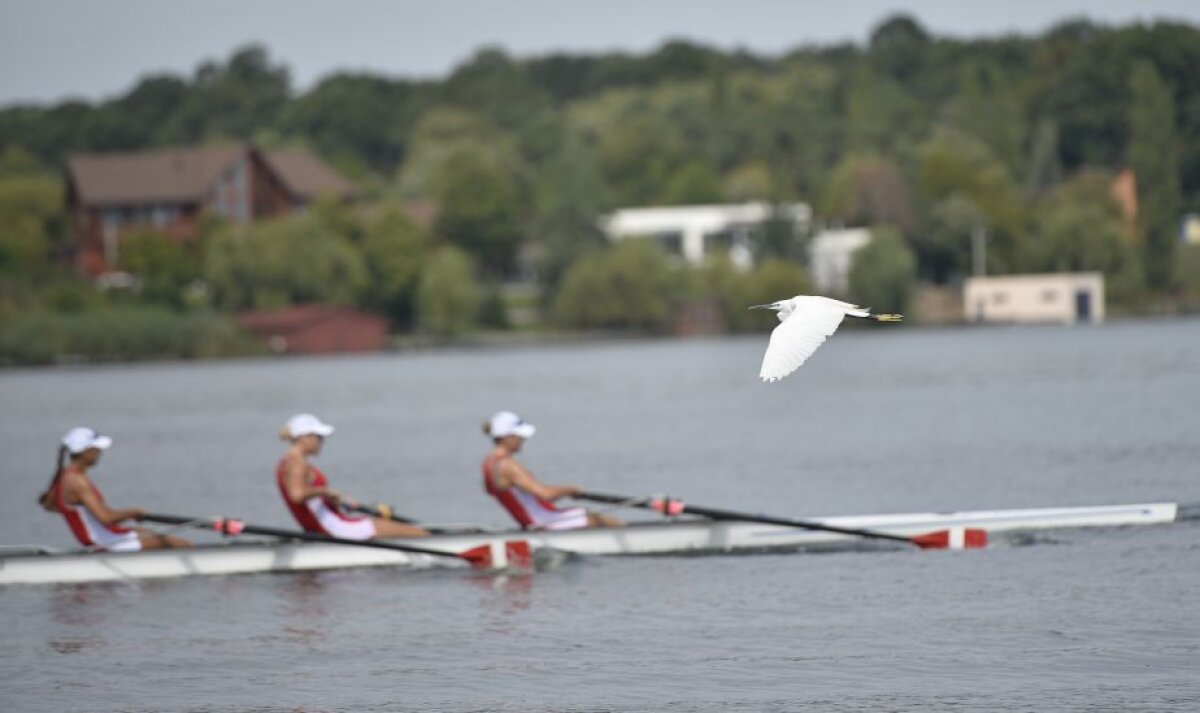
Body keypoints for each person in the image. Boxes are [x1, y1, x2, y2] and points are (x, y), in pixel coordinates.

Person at [276, 413, 428, 540]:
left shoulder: (288, 462)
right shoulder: (296, 463)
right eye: (319, 437)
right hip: (335, 529)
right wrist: (326, 491)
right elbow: (297, 494)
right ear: (304, 437)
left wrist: (337, 500)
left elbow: (309, 500)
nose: (322, 442)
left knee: (394, 526)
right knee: (419, 533)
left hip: (331, 525)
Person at [38, 427, 191, 551]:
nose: (100, 453)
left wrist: (78, 516)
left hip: (106, 536)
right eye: (97, 448)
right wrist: (132, 512)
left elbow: (50, 505)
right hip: (106, 542)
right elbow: (105, 518)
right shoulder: (78, 481)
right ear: (86, 451)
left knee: (149, 534)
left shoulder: (64, 477)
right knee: (182, 545)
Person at [482, 411, 621, 530]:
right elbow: (545, 494)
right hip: (542, 521)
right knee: (594, 519)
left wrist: (563, 493)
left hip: (532, 520)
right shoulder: (508, 465)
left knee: (588, 515)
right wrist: (569, 490)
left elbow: (506, 494)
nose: (523, 439)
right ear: (505, 437)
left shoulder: (488, 463)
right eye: (519, 436)